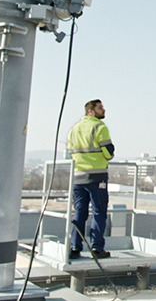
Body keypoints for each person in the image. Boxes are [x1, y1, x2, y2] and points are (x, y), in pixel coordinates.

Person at [67, 99, 115, 259]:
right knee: (99, 212)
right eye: (100, 108)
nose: (104, 110)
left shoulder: (74, 129)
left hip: (78, 178)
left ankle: (75, 247)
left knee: (79, 212)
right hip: (96, 178)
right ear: (90, 112)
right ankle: (96, 249)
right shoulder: (99, 127)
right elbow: (108, 152)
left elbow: (70, 152)